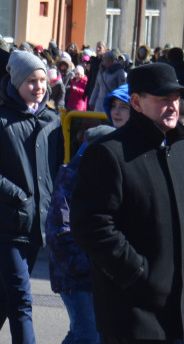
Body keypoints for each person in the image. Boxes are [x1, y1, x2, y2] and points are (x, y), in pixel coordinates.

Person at [71, 62, 184, 344]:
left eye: (176, 98)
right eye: (162, 99)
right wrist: (138, 273)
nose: (172, 106)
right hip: (134, 315)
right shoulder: (109, 154)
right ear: (136, 102)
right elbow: (91, 226)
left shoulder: (180, 148)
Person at [0, 50, 63, 344]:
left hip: (38, 223)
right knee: (21, 297)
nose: (38, 87)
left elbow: (56, 170)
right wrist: (19, 196)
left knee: (7, 290)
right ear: (16, 83)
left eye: (42, 80)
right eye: (31, 81)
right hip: (7, 221)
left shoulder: (53, 120)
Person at [46, 86, 124, 344]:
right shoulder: (72, 178)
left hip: (99, 276)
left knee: (85, 333)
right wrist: (88, 266)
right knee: (88, 335)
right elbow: (60, 233)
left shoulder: (109, 179)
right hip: (76, 277)